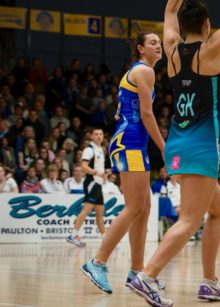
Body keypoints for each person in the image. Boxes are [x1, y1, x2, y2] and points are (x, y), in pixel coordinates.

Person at [128, 0, 220, 307]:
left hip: (177, 144)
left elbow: (168, 11)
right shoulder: (210, 52)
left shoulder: (171, 49)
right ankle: (147, 277)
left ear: (183, 27)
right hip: (200, 146)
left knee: (219, 210)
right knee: (188, 220)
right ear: (208, 25)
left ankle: (209, 282)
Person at [80, 31, 165, 294]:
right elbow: (147, 115)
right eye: (153, 43)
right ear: (141, 48)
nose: (158, 46)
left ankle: (136, 272)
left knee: (144, 206)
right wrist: (165, 146)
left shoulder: (138, 72)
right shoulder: (145, 72)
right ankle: (97, 262)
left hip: (131, 142)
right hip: (130, 141)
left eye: (160, 43)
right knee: (135, 206)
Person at [66, 128, 108, 247]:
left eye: (101, 133)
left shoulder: (100, 149)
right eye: (96, 134)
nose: (99, 136)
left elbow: (100, 167)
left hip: (98, 184)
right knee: (86, 210)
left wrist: (104, 173)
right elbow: (83, 166)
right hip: (91, 183)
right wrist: (96, 173)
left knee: (100, 213)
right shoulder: (89, 150)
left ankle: (105, 239)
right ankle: (73, 235)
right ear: (91, 137)